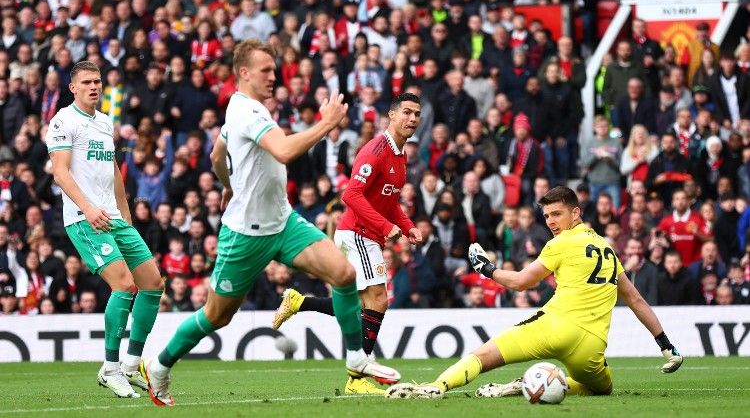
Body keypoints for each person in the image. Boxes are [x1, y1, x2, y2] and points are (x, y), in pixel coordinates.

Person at [140, 40, 398, 407]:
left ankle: (357, 358)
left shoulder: (243, 108)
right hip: (245, 235)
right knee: (216, 316)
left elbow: (217, 153)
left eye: (275, 70)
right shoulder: (248, 112)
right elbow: (286, 150)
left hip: (284, 222)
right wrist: (326, 123)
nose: (274, 77)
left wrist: (229, 184)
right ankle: (160, 365)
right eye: (266, 70)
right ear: (243, 72)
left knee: (343, 274)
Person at [385, 186, 682, 399]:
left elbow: (520, 282)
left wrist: (486, 269)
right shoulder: (607, 247)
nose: (551, 222)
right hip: (591, 347)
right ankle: (534, 385)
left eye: (557, 214)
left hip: (553, 328)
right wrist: (665, 344)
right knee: (601, 389)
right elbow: (635, 299)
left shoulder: (559, 244)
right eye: (547, 216)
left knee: (484, 355)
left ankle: (436, 387)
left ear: (576, 213)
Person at [272, 93, 423, 394]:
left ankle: (301, 302)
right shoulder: (376, 151)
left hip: (366, 233)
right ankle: (357, 378)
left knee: (357, 304)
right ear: (391, 116)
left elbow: (388, 200)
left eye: (417, 114)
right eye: (406, 112)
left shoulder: (400, 154)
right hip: (358, 233)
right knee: (378, 299)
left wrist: (407, 226)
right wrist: (384, 226)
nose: (412, 119)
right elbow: (350, 195)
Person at [46, 61, 164, 398]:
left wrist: (124, 212)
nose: (94, 87)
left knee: (153, 284)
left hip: (113, 215)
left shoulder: (103, 121)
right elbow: (60, 172)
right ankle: (110, 369)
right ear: (73, 87)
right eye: (86, 82)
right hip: (84, 218)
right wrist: (88, 207)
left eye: (97, 81)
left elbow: (112, 168)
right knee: (124, 285)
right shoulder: (63, 121)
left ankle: (130, 365)